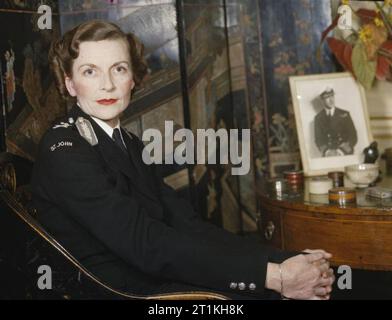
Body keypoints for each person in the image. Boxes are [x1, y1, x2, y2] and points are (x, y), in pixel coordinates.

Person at [31, 20, 334, 300]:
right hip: (120, 292)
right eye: (90, 71)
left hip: (149, 277)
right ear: (70, 84)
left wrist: (281, 260)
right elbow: (146, 244)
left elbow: (187, 225)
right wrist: (275, 277)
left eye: (119, 69)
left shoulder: (128, 143)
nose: (107, 85)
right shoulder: (65, 148)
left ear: (133, 79)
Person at [314, 88, 357, 157]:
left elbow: (353, 136)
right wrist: (327, 152)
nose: (331, 100)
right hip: (328, 154)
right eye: (327, 97)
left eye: (332, 96)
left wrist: (341, 151)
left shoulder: (344, 114)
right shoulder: (318, 118)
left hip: (345, 153)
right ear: (322, 100)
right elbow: (318, 139)